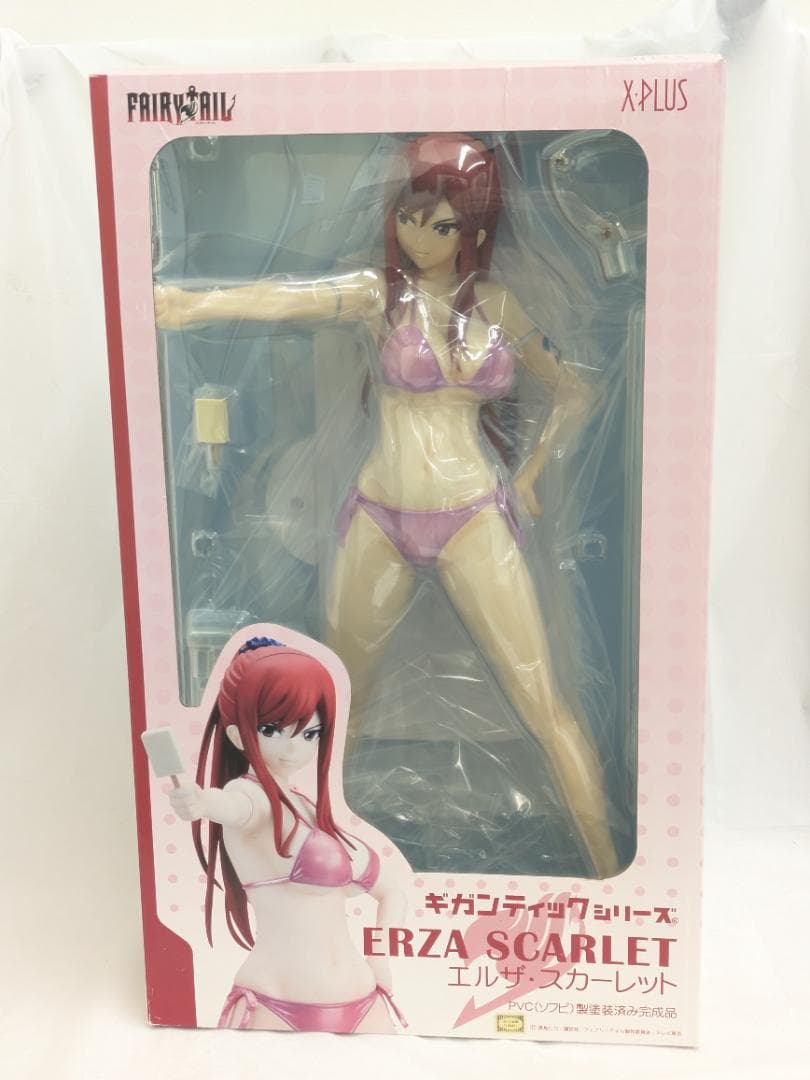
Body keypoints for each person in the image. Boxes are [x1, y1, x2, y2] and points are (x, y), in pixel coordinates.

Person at [155, 133, 620, 877]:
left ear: (473, 232)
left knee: (545, 702)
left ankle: (608, 868)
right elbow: (289, 298)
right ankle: (295, 861)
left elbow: (577, 389)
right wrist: (187, 304)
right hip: (379, 514)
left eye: (442, 224)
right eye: (409, 216)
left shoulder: (498, 305)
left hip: (473, 513)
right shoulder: (381, 296)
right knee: (337, 709)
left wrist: (533, 473)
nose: (420, 236)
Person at [168, 636, 406, 1032]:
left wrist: (380, 958)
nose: (294, 748)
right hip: (275, 1006)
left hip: (366, 998)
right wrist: (201, 802)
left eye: (310, 733)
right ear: (237, 735)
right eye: (272, 729)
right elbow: (233, 808)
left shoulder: (309, 808)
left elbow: (391, 892)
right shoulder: (250, 797)